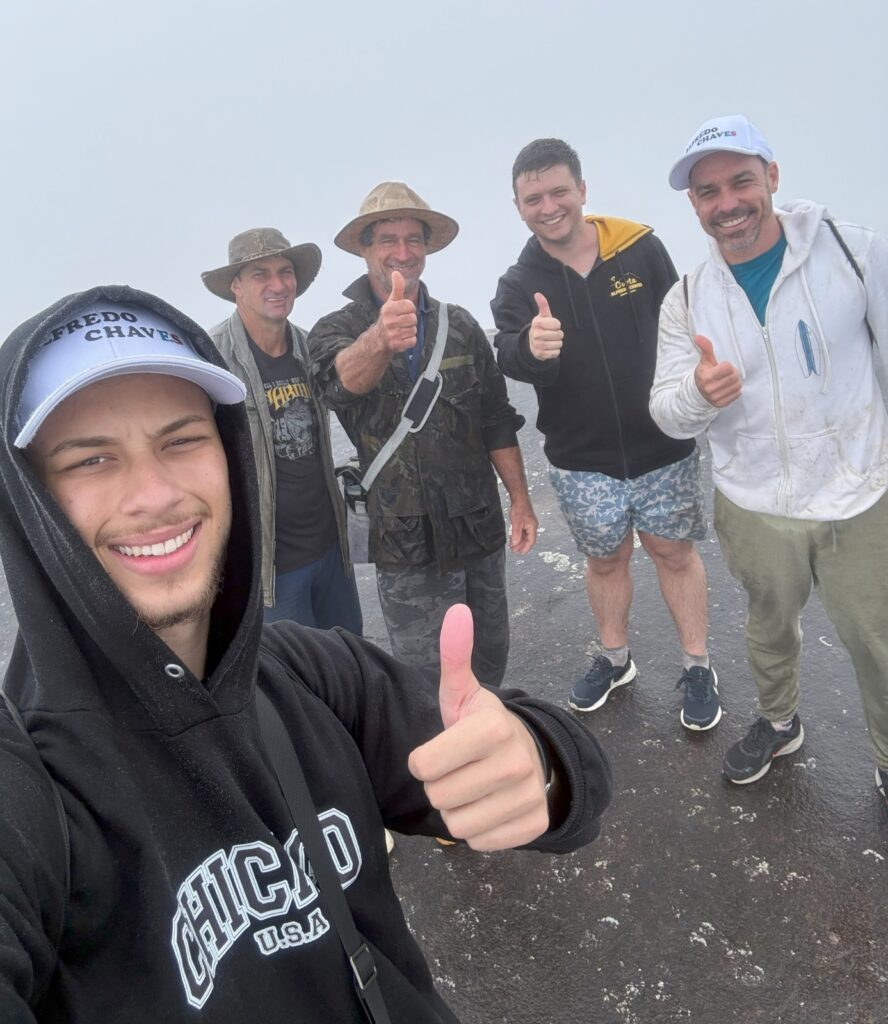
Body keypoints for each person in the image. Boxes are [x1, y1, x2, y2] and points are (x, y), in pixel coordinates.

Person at [0, 285, 612, 1021]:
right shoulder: (35, 782)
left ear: (230, 455)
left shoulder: (315, 675)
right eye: (91, 460)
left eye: (182, 440)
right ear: (28, 502)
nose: (153, 493)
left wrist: (536, 763)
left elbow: (577, 778)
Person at [650, 113, 888, 798]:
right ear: (693, 205)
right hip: (753, 501)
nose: (727, 204)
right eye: (706, 194)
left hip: (859, 493)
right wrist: (699, 391)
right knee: (767, 627)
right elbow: (666, 410)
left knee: (878, 639)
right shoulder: (689, 296)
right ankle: (780, 721)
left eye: (740, 182)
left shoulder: (854, 253)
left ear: (772, 178)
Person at [491, 138, 719, 730]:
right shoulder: (519, 283)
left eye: (558, 191)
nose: (548, 206)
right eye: (533, 198)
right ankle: (616, 658)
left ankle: (698, 665)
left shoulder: (640, 248)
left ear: (582, 191)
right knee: (605, 560)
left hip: (662, 444)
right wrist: (531, 349)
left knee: (674, 553)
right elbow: (510, 354)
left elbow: (680, 324)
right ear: (518, 207)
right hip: (581, 457)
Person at [308, 182, 538, 687]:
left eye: (414, 239)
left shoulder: (462, 326)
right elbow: (336, 386)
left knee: (489, 661)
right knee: (424, 680)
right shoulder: (335, 329)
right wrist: (380, 338)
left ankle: (493, 751)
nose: (403, 251)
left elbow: (496, 418)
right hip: (405, 543)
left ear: (427, 249)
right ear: (364, 248)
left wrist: (520, 500)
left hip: (477, 528)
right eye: (388, 239)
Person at [201, 228, 362, 632]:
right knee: (297, 683)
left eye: (285, 271)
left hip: (331, 551)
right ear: (235, 286)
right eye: (260, 274)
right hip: (272, 567)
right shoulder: (212, 359)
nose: (278, 284)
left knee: (350, 666)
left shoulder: (311, 348)